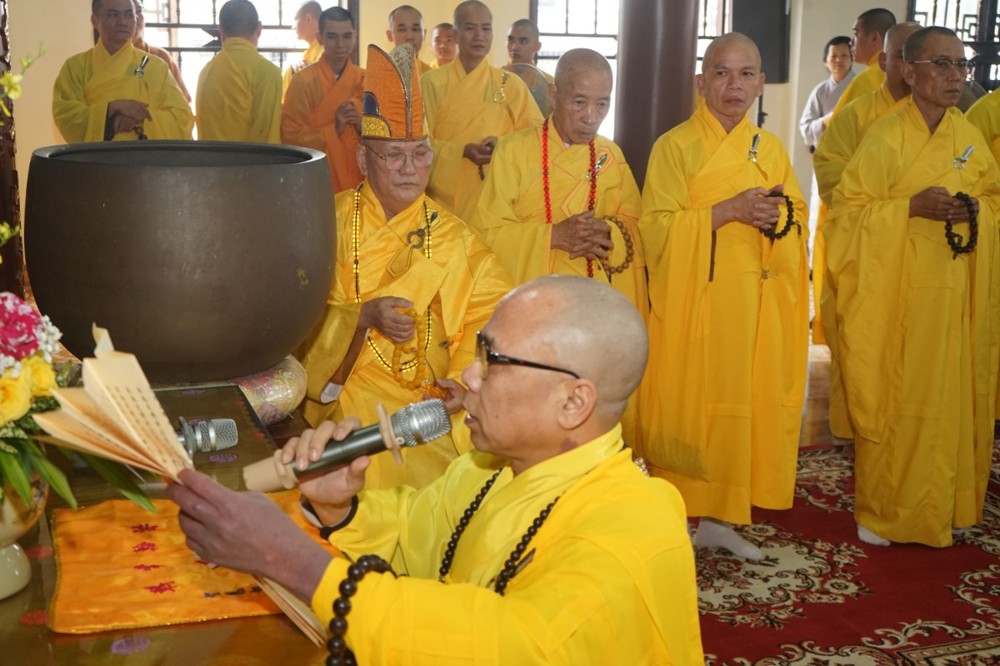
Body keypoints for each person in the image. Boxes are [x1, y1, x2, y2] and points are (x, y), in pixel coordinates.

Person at [167, 274, 704, 665]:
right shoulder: (486, 469)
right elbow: (414, 534)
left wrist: (297, 564)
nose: (469, 376)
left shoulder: (636, 526)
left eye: (493, 360)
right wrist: (339, 508)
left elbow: (520, 645)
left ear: (573, 402)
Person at [297, 43, 511, 490]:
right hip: (344, 398)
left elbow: (491, 317)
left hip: (425, 405)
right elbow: (293, 313)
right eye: (394, 155)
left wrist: (462, 382)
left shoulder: (458, 239)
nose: (410, 168)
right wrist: (361, 318)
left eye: (421, 153)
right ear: (363, 160)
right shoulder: (326, 221)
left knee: (451, 493)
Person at [826, 26, 999, 548]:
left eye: (961, 65)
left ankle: (949, 504)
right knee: (896, 400)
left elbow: (993, 200)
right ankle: (883, 512)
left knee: (952, 398)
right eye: (941, 64)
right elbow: (847, 216)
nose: (954, 76)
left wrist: (973, 209)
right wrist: (909, 208)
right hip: (897, 298)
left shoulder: (968, 138)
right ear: (909, 71)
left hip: (953, 296)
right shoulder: (885, 137)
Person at [638, 33, 809, 561]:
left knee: (740, 408)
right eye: (721, 72)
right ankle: (673, 518)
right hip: (696, 303)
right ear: (701, 82)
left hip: (752, 307)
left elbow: (798, 216)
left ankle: (718, 520)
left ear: (760, 84)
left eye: (746, 74)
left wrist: (779, 217)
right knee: (689, 409)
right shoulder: (674, 147)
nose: (734, 85)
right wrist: (726, 211)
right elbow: (655, 229)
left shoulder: (770, 148)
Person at [473, 48, 647, 448]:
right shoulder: (514, 151)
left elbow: (636, 229)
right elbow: (486, 232)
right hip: (533, 317)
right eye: (580, 102)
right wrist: (552, 236)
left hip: (593, 317)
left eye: (602, 104)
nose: (591, 117)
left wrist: (606, 234)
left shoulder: (612, 158)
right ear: (554, 95)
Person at [813, 22, 920, 441]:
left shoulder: (947, 122)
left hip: (924, 258)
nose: (912, 67)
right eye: (904, 56)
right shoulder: (857, 111)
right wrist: (892, 205)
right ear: (885, 61)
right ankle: (859, 432)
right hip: (867, 252)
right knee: (864, 346)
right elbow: (831, 172)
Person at [420, 1, 543, 222]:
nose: (479, 36)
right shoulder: (431, 83)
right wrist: (461, 151)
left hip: (497, 202)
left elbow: (537, 138)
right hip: (443, 207)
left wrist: (502, 145)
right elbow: (418, 144)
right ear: (455, 35)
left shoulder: (511, 85)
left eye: (486, 28)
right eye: (470, 28)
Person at [53, 0, 193, 143]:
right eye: (113, 15)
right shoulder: (75, 67)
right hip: (96, 156)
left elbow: (182, 117)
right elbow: (66, 115)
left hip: (146, 155)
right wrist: (111, 110)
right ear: (94, 21)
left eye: (129, 15)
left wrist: (140, 120)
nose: (123, 22)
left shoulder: (155, 66)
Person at [282, 7, 365, 195]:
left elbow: (385, 135)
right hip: (319, 179)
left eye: (346, 36)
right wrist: (333, 129)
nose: (340, 45)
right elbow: (290, 135)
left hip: (360, 179)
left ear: (354, 36)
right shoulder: (302, 82)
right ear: (320, 38)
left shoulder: (365, 80)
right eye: (332, 37)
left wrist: (362, 126)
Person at [195, 0, 281, 143]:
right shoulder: (267, 72)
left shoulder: (207, 71)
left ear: (221, 31)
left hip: (210, 157)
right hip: (250, 158)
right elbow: (267, 138)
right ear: (259, 29)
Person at [830, 8, 897, 117]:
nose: (851, 42)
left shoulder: (864, 81)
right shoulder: (899, 73)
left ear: (874, 38)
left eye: (856, 34)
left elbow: (838, 125)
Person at [799, 36, 855, 151]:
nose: (838, 60)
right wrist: (826, 121)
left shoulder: (862, 85)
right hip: (827, 153)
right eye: (834, 56)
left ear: (852, 59)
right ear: (825, 62)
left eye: (844, 56)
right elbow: (805, 130)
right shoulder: (820, 91)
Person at [131, 0, 190, 102]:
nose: (135, 18)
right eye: (129, 13)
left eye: (139, 11)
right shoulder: (102, 59)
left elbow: (182, 103)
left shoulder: (161, 57)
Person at [282, 1, 322, 99]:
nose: (293, 26)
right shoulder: (305, 55)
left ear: (309, 19)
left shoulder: (327, 52)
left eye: (296, 19)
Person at [386, 5, 430, 76]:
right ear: (390, 35)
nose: (409, 36)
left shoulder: (432, 76)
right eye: (402, 30)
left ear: (424, 34)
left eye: (415, 29)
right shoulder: (379, 73)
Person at [506, 18, 553, 83]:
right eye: (510, 40)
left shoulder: (547, 82)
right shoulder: (496, 77)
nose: (514, 47)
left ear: (537, 46)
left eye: (523, 42)